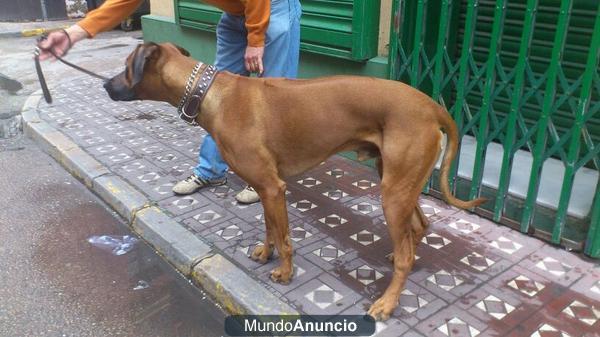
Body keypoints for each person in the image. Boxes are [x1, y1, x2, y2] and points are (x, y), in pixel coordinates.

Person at [38, 0, 302, 204]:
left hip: (274, 8)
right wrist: (72, 34)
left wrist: (256, 38)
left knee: (272, 95)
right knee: (215, 95)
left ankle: (265, 178)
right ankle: (211, 170)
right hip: (235, 15)